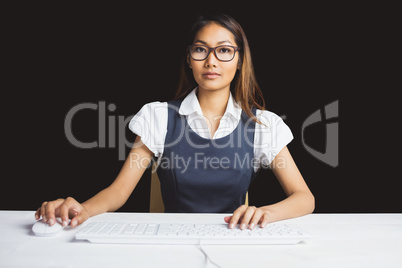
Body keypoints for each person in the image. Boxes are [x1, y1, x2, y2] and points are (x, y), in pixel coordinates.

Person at [35, 14, 314, 230]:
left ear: (240, 60)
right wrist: (80, 209)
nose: (211, 61)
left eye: (225, 50)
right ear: (189, 59)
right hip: (170, 241)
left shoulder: (263, 125)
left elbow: (304, 197)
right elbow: (118, 192)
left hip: (234, 241)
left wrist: (265, 213)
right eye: (201, 50)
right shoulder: (158, 117)